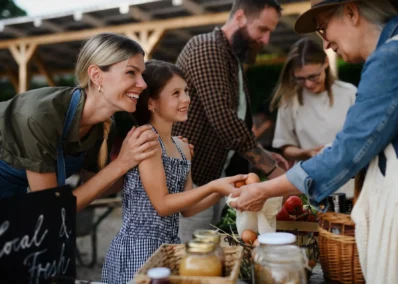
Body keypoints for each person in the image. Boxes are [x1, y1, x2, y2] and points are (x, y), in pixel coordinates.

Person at [230, 0, 398, 282]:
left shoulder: (389, 59)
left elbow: (347, 151)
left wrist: (264, 190)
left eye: (323, 29)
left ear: (351, 12)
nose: (327, 45)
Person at [101, 60, 246, 283]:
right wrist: (213, 186)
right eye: (176, 93)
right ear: (151, 103)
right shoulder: (146, 141)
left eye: (186, 91)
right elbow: (163, 204)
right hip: (137, 250)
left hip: (168, 248)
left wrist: (223, 190)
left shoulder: (182, 147)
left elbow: (186, 210)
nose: (186, 99)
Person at [172, 0, 290, 243]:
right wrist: (270, 167)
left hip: (211, 179)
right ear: (239, 17)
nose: (266, 40)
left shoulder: (230, 58)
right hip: (189, 184)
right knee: (193, 264)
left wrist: (262, 151)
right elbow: (224, 119)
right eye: (262, 29)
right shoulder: (206, 48)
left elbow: (237, 122)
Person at [0, 33, 159, 211]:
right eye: (131, 72)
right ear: (96, 75)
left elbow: (96, 185)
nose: (143, 84)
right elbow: (51, 208)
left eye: (142, 74)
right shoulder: (39, 116)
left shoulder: (104, 128)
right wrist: (121, 162)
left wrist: (145, 165)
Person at [270, 37, 357, 197]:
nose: (308, 84)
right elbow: (285, 147)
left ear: (325, 63)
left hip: (350, 184)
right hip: (311, 186)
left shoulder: (349, 93)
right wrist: (307, 152)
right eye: (300, 78)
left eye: (313, 76)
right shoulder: (289, 101)